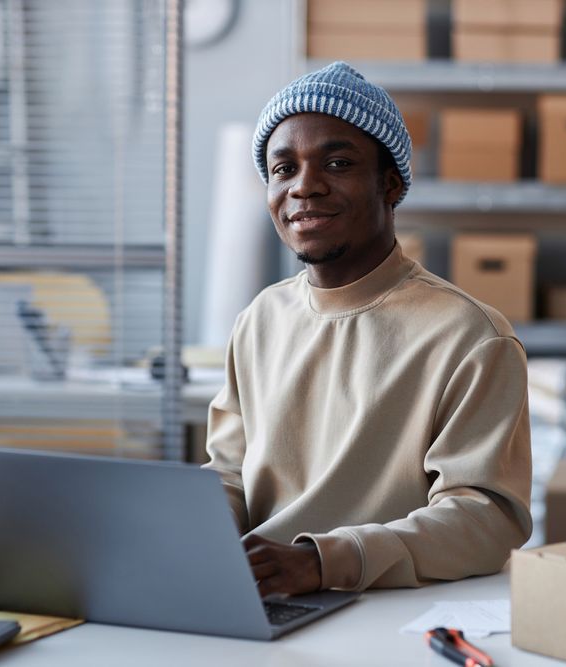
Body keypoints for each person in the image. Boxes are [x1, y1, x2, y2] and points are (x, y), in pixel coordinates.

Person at [204, 61, 532, 597]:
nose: (304, 187)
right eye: (283, 169)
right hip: (261, 598)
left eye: (336, 162)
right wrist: (194, 533)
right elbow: (229, 473)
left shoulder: (470, 336)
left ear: (390, 182)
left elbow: (488, 520)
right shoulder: (259, 319)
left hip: (383, 607)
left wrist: (321, 561)